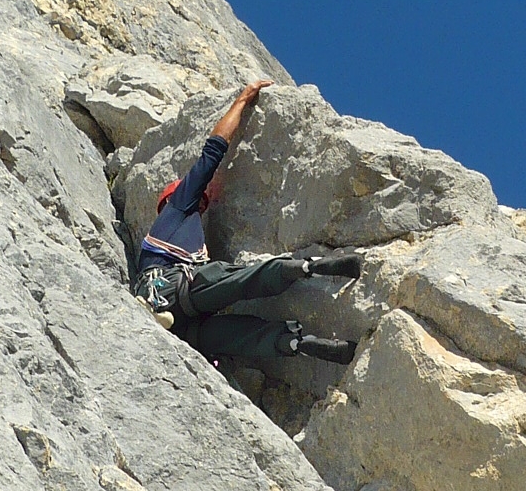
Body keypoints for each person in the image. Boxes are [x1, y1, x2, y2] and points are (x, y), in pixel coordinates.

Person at [133, 79, 361, 364]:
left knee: (232, 334)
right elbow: (211, 153)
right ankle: (306, 267)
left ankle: (298, 343)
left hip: (182, 325)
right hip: (175, 290)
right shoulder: (177, 208)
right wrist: (241, 101)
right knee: (238, 278)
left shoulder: (171, 240)